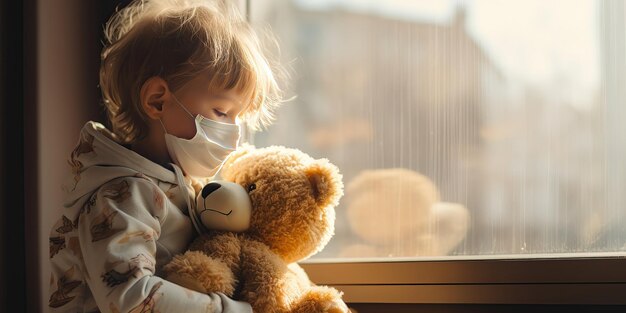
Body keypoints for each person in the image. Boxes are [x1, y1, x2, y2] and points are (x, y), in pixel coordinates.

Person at [47, 0, 284, 312]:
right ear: (157, 101)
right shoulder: (123, 194)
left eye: (240, 117)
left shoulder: (179, 188)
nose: (235, 132)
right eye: (223, 112)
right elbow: (130, 298)